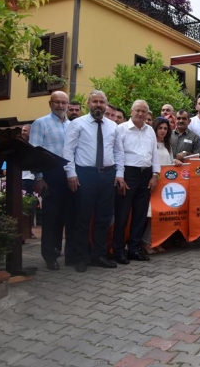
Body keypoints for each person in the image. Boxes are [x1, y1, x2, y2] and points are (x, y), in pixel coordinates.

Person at [63, 90, 126, 273]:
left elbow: (118, 152)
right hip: (85, 175)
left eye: (101, 102)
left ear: (105, 105)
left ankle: (99, 256)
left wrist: (119, 174)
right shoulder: (77, 124)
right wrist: (71, 174)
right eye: (95, 101)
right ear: (88, 104)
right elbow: (68, 150)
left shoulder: (113, 126)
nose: (98, 105)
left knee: (103, 218)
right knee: (82, 218)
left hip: (107, 176)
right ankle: (81, 257)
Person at [113, 100, 160, 264]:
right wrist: (120, 176)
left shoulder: (150, 130)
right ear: (131, 111)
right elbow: (118, 154)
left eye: (144, 111)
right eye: (138, 110)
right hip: (128, 174)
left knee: (140, 215)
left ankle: (134, 248)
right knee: (122, 215)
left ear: (147, 114)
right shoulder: (121, 129)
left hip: (145, 174)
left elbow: (154, 154)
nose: (140, 114)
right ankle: (118, 250)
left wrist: (155, 175)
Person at [29, 91, 73, 270]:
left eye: (64, 102)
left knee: (67, 216)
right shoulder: (40, 123)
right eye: (57, 102)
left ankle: (61, 251)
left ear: (68, 105)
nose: (60, 106)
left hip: (70, 174)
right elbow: (34, 153)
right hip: (50, 174)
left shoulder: (72, 125)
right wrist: (39, 177)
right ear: (50, 103)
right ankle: (49, 255)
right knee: (51, 218)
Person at [143, 117, 183, 255]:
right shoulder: (150, 144)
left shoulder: (167, 146)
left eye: (165, 128)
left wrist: (175, 161)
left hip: (165, 186)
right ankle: (146, 242)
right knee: (151, 215)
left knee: (162, 214)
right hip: (153, 183)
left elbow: (169, 163)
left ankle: (156, 241)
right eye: (160, 128)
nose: (163, 131)